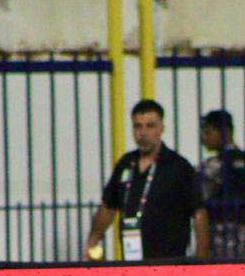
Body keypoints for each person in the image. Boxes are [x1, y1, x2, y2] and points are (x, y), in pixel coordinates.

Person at [85, 100, 209, 261]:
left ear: (161, 128)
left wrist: (201, 259)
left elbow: (199, 213)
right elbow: (108, 206)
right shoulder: (126, 164)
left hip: (169, 262)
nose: (143, 133)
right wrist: (94, 240)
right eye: (138, 126)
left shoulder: (178, 167)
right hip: (132, 260)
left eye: (150, 126)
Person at [199, 110, 245, 259]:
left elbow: (199, 195)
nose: (204, 138)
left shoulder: (215, 164)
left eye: (208, 133)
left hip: (220, 232)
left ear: (225, 132)